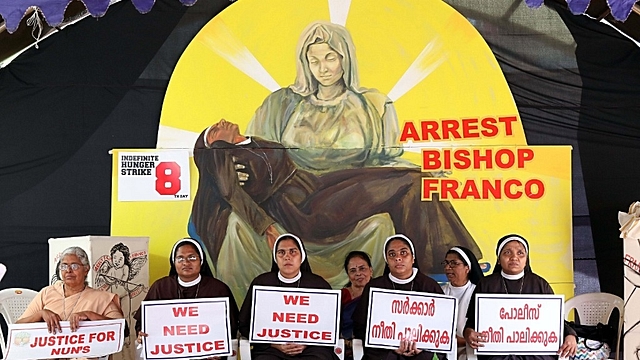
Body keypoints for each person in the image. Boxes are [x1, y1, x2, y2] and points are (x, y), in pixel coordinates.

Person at [193, 20, 420, 297]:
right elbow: (255, 164)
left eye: (330, 58)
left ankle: (366, 304)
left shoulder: (373, 104)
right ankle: (245, 308)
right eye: (313, 61)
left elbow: (386, 160)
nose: (323, 68)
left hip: (348, 199)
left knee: (382, 221)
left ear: (345, 58)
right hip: (289, 204)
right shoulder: (281, 104)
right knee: (238, 226)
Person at [191, 119, 480, 277]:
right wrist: (265, 227)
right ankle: (443, 262)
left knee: (413, 178)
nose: (221, 121)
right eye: (214, 129)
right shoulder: (219, 155)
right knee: (408, 184)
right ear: (215, 142)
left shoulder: (253, 143)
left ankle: (452, 259)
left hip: (313, 185)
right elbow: (230, 192)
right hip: (301, 209)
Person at [463, 234, 577, 360]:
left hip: (533, 352)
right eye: (507, 252)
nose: (514, 257)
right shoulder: (486, 285)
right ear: (499, 259)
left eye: (520, 253)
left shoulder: (540, 284)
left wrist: (570, 335)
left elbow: (556, 321)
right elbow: (471, 323)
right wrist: (469, 333)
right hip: (498, 352)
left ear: (526, 259)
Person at [133, 238, 239, 358]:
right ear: (174, 262)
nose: (186, 263)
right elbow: (143, 323)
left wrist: (218, 350)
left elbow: (231, 326)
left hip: (207, 356)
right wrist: (142, 334)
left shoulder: (218, 289)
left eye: (192, 257)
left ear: (201, 261)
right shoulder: (160, 287)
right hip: (169, 356)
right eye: (180, 258)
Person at [238, 233, 338, 359]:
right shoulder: (262, 283)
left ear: (301, 256)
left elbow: (329, 325)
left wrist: (307, 343)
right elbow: (245, 323)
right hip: (271, 350)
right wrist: (273, 344)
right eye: (281, 252)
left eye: (293, 252)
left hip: (311, 349)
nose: (287, 257)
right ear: (275, 258)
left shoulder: (318, 285)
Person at [17, 246, 124, 359]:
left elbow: (122, 329)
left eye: (74, 266)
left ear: (86, 269)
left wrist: (90, 315)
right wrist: (40, 314)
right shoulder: (47, 292)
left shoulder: (101, 298)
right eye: (64, 266)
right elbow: (18, 327)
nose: (68, 270)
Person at [352, 234, 446, 360]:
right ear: (387, 260)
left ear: (413, 258)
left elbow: (442, 326)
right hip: (384, 351)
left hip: (423, 351)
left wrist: (422, 346)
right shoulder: (375, 287)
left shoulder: (429, 286)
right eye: (392, 254)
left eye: (403, 253)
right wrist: (390, 345)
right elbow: (361, 325)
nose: (398, 258)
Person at [440, 246, 483, 360]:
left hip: (472, 352)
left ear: (467, 268)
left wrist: (464, 340)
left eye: (454, 263)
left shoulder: (478, 293)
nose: (448, 267)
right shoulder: (439, 292)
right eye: (446, 263)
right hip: (443, 352)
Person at [341, 251, 374, 340]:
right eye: (353, 271)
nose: (358, 273)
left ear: (371, 271)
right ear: (348, 275)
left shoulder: (380, 296)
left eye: (362, 268)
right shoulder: (341, 296)